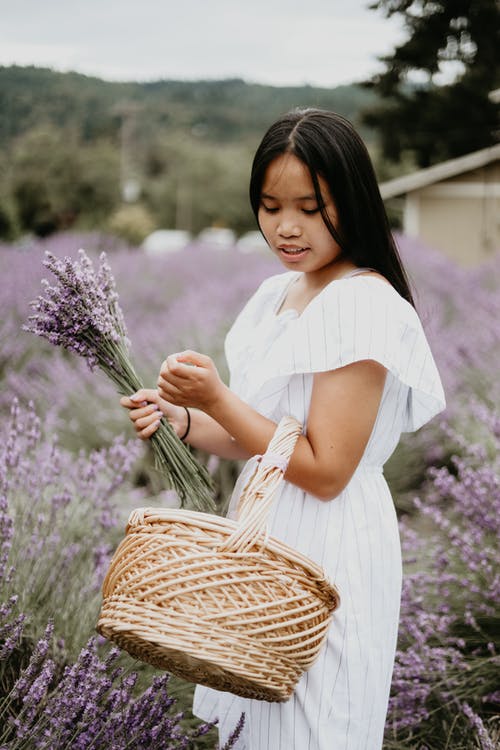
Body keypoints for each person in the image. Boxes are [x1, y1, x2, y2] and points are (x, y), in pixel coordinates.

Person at [120, 108, 446, 750]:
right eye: (270, 207)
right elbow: (261, 440)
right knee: (258, 727)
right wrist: (182, 419)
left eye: (309, 206)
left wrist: (217, 396)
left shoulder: (362, 303)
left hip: (329, 545)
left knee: (319, 726)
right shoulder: (277, 295)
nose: (286, 227)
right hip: (265, 532)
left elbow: (324, 470)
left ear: (350, 201)